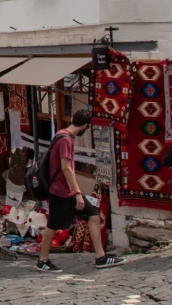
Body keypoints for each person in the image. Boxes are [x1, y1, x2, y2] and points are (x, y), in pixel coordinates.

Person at [38, 110, 125, 273]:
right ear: (85, 126)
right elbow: (66, 168)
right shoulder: (66, 140)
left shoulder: (62, 134)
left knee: (93, 214)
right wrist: (78, 192)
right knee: (53, 225)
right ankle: (43, 260)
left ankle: (101, 257)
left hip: (65, 190)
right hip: (61, 191)